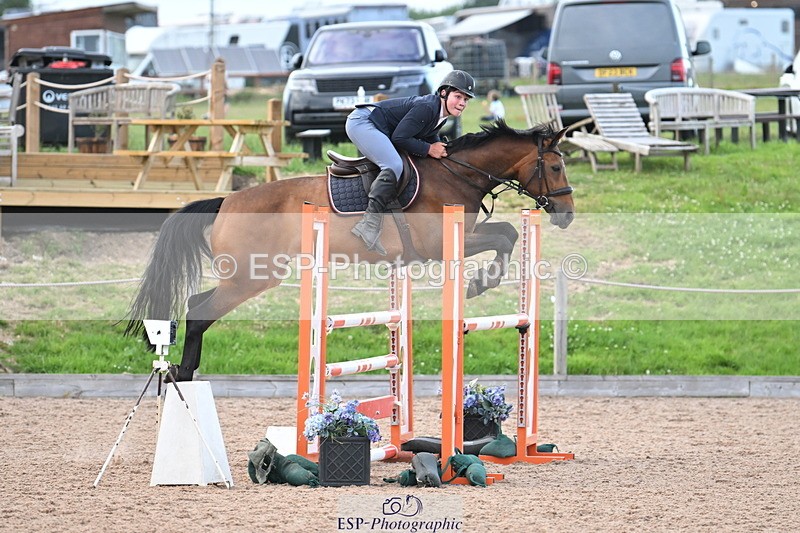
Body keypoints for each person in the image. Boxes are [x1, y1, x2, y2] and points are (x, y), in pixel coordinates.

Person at [345, 70, 476, 256]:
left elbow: (429, 138)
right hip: (363, 122)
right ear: (443, 93)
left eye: (466, 99)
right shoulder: (427, 108)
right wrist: (429, 149)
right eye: (458, 96)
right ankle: (368, 225)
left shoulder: (440, 114)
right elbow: (400, 138)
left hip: (379, 126)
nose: (462, 103)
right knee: (394, 165)